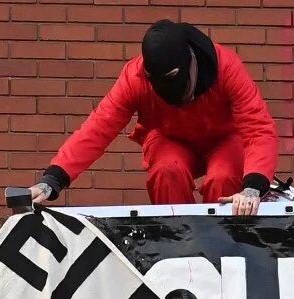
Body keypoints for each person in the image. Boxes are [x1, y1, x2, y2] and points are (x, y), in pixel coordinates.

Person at [27, 20, 278, 215]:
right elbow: (99, 126)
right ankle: (177, 240)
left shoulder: (226, 68)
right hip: (169, 138)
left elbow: (258, 129)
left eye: (172, 79)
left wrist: (253, 187)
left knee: (222, 176)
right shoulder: (134, 78)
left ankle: (227, 242)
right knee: (167, 170)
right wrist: (53, 179)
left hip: (223, 139)